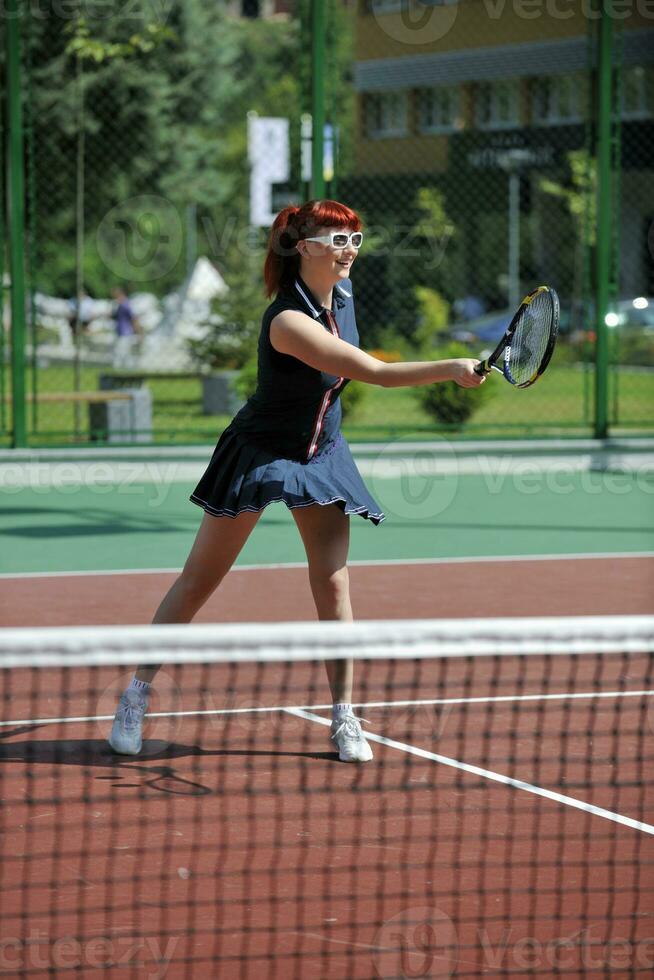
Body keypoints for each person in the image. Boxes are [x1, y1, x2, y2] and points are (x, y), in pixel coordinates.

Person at [108, 199, 486, 763]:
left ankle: (344, 716)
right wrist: (451, 367)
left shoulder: (345, 295)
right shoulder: (287, 321)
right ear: (303, 246)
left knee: (333, 585)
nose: (349, 250)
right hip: (261, 451)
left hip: (321, 453)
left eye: (355, 238)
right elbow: (374, 372)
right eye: (337, 240)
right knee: (199, 580)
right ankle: (135, 696)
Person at [111, 286, 141, 368]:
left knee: (120, 352)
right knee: (124, 353)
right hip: (121, 331)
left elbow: (134, 318)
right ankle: (126, 368)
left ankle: (118, 368)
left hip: (125, 332)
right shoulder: (120, 305)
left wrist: (138, 331)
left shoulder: (125, 305)